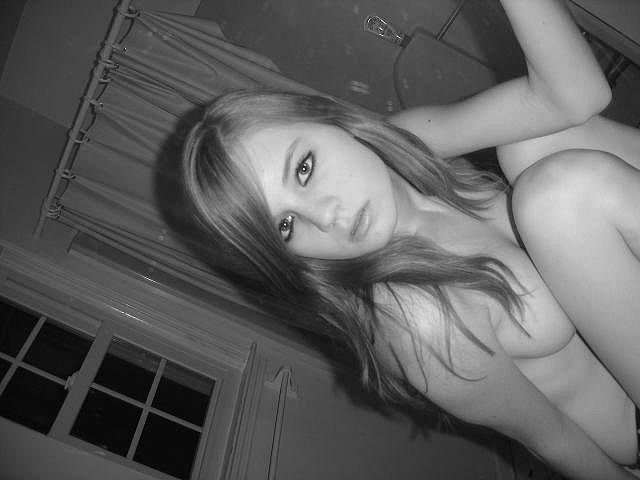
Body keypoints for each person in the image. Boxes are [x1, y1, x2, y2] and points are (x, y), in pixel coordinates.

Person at [180, 0, 640, 478]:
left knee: (529, 145)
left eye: (304, 168)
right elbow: (552, 439)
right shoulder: (417, 321)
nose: (326, 215)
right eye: (286, 226)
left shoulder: (400, 146)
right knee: (554, 198)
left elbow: (575, 96)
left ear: (327, 120)